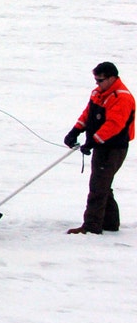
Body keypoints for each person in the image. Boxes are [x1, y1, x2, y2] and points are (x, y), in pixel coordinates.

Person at [63, 61, 134, 234]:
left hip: (114, 149)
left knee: (98, 186)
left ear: (112, 78)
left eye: (100, 80)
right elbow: (88, 114)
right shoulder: (98, 93)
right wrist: (75, 131)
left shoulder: (121, 97)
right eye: (95, 80)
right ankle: (110, 223)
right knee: (102, 184)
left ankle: (92, 226)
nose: (97, 83)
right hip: (101, 146)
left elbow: (114, 125)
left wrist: (92, 141)